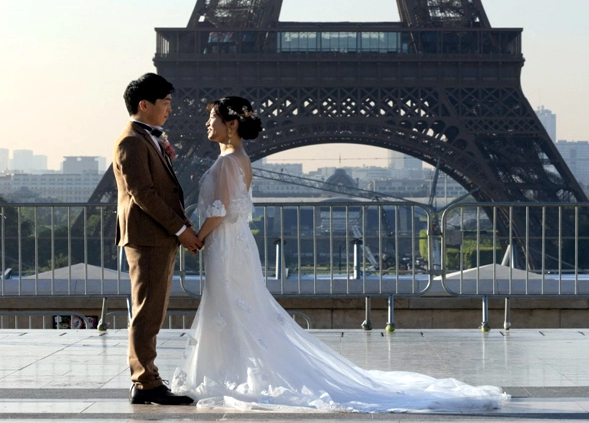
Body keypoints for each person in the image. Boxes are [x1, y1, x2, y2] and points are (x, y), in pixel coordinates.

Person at [171, 97, 508, 412]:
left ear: (231, 124)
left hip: (225, 243)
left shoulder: (230, 160)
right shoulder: (237, 159)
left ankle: (227, 372)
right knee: (235, 308)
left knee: (228, 306)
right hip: (233, 242)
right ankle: (234, 371)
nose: (207, 124)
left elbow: (222, 207)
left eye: (212, 118)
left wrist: (197, 235)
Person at [113, 73, 202, 405]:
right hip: (149, 236)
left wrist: (180, 225)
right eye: (165, 103)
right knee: (148, 309)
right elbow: (144, 194)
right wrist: (181, 230)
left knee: (152, 308)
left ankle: (146, 379)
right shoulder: (132, 141)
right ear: (144, 105)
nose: (170, 109)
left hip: (158, 234)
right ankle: (145, 381)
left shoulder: (146, 137)